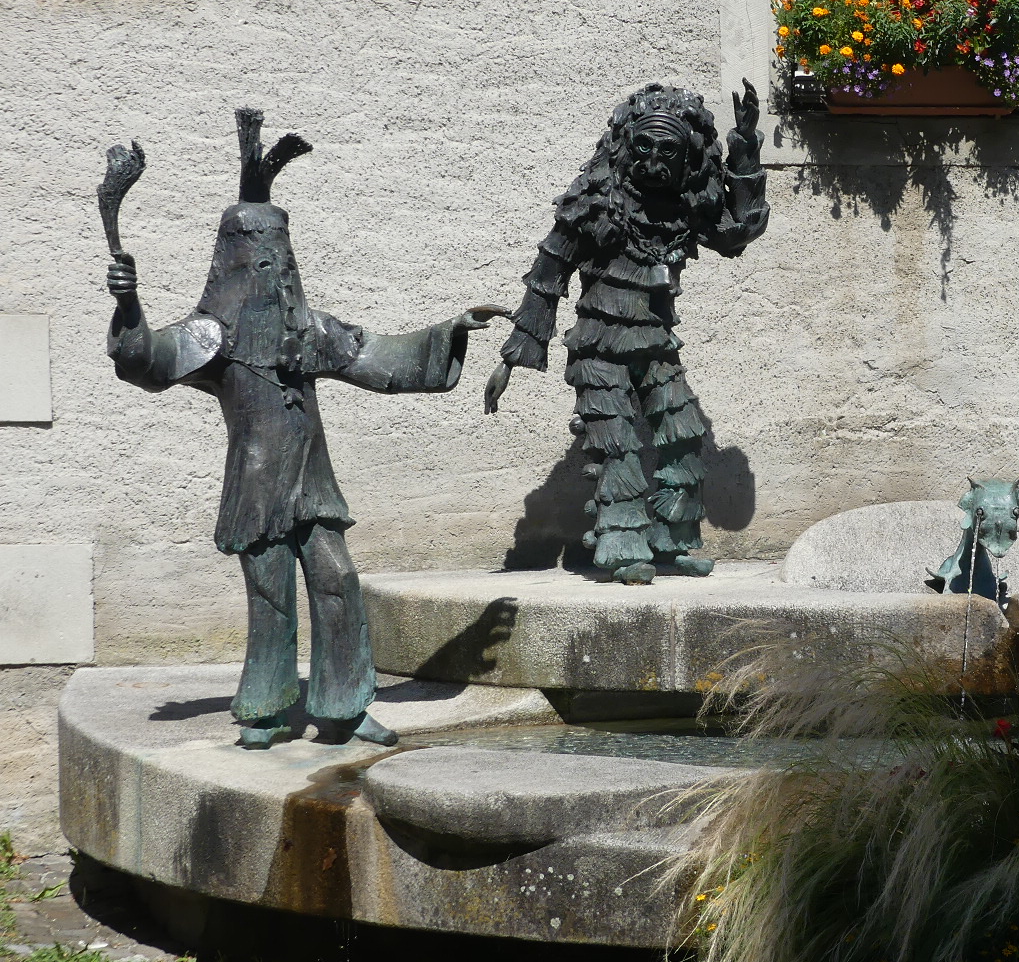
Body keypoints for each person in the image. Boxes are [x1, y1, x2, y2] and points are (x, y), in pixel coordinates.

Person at [104, 108, 506, 749]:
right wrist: (128, 303)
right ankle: (264, 710)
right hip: (257, 489)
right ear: (233, 267)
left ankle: (345, 706)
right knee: (270, 594)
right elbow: (145, 361)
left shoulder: (308, 331)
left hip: (313, 485)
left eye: (281, 259)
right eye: (261, 261)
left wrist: (449, 330)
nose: (275, 270)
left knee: (337, 579)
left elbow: (380, 358)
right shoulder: (210, 336)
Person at [484, 82, 768, 584]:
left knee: (684, 437)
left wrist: (744, 151)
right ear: (624, 145)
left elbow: (735, 234)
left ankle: (671, 541)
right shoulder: (595, 203)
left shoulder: (683, 208)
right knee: (617, 447)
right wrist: (514, 355)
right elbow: (548, 275)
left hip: (657, 346)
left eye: (668, 151)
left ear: (688, 156)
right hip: (598, 349)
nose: (653, 161)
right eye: (643, 146)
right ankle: (621, 547)